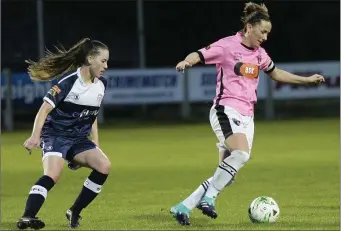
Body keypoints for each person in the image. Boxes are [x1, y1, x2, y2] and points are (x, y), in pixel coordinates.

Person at [170, 2, 325, 226]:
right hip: (225, 110)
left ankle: (182, 207)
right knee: (240, 155)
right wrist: (187, 61)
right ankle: (209, 199)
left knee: (227, 175)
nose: (265, 37)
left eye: (268, 33)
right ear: (249, 27)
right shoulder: (227, 46)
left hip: (247, 117)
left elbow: (276, 73)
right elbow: (200, 54)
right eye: (263, 31)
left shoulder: (260, 54)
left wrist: (306, 80)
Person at [16, 38, 111, 230]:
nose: (106, 66)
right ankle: (28, 216)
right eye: (103, 61)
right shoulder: (68, 83)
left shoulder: (101, 84)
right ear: (90, 58)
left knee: (104, 165)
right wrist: (35, 136)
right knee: (52, 174)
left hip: (78, 139)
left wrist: (95, 143)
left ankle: (75, 211)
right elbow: (43, 110)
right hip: (55, 135)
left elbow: (92, 115)